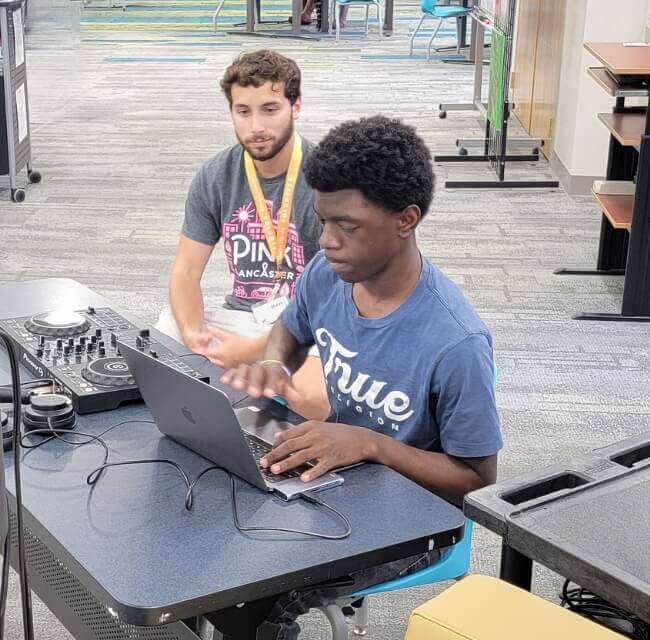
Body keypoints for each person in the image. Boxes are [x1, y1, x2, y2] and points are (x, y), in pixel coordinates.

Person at [215, 115, 502, 639]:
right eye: (322, 221)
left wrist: (372, 444)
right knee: (212, 519)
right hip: (341, 477)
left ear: (405, 220)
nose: (326, 241)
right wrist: (277, 364)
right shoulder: (329, 275)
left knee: (256, 591)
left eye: (347, 226)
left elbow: (478, 479)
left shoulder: (456, 343)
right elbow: (290, 327)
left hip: (417, 521)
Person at [155, 49, 329, 420]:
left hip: (308, 323)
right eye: (243, 111)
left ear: (295, 107)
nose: (256, 127)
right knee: (163, 334)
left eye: (270, 109)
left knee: (313, 399)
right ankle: (244, 382)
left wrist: (252, 351)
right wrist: (193, 338)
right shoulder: (216, 175)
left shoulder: (325, 178)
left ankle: (248, 380)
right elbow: (186, 272)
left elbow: (339, 295)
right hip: (243, 314)